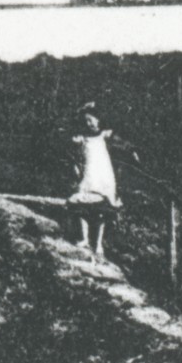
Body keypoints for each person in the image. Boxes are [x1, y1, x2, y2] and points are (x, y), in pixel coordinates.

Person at [66, 104, 131, 262]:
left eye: (91, 120)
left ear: (99, 119)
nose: (89, 123)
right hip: (89, 176)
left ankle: (99, 244)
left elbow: (121, 133)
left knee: (102, 211)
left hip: (104, 177)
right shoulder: (82, 138)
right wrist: (80, 110)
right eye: (86, 121)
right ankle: (84, 238)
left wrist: (131, 150)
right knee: (81, 206)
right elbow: (67, 133)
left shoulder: (104, 135)